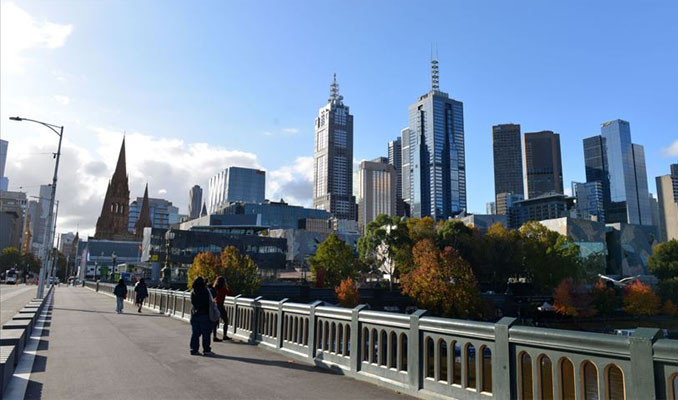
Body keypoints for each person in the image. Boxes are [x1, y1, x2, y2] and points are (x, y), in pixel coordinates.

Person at [190, 277, 214, 356]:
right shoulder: (206, 291)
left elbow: (193, 303)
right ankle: (206, 350)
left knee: (195, 334)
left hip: (195, 314)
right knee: (206, 333)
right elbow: (211, 300)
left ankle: (194, 349)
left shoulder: (193, 292)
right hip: (204, 314)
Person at [212, 277, 231, 341]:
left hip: (215, 305)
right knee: (226, 320)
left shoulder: (214, 288)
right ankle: (224, 335)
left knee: (215, 322)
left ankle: (214, 336)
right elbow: (229, 293)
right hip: (220, 306)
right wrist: (227, 285)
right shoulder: (223, 289)